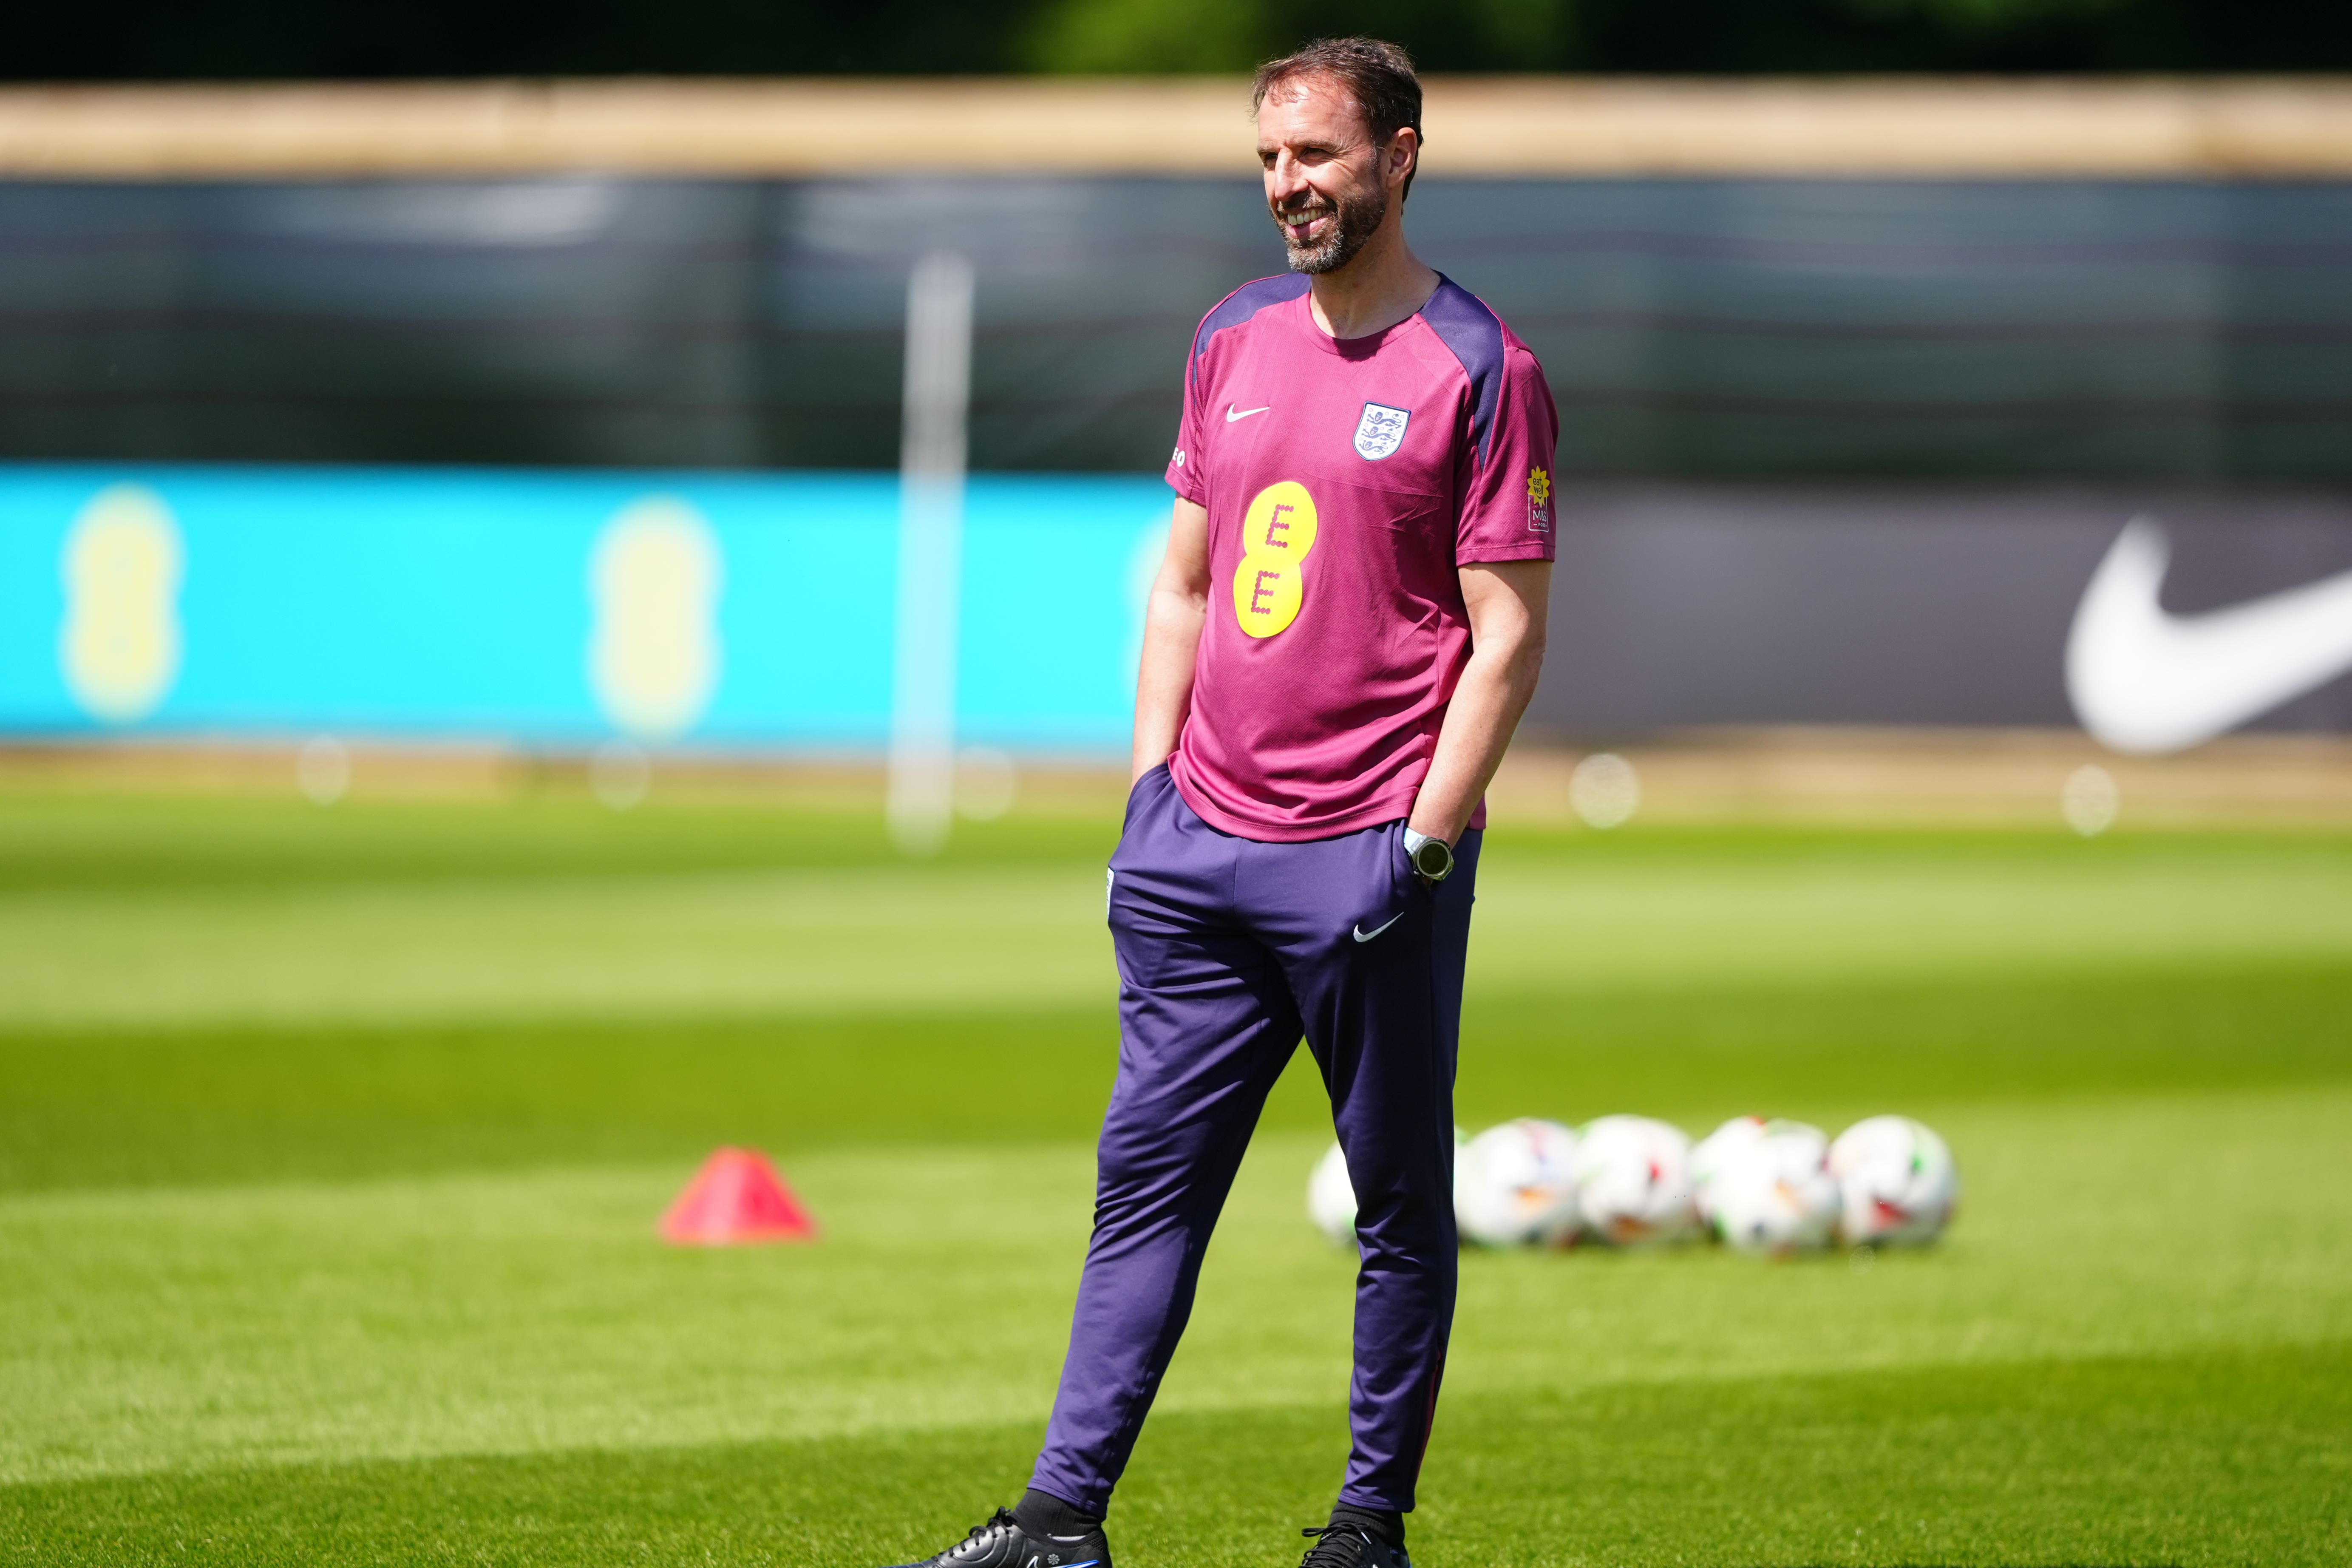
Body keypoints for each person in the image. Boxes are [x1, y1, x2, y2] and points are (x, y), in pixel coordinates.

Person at [885, 36, 1556, 1568]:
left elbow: (1506, 632)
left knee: (1396, 1206)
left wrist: (1425, 842)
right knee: (1143, 1195)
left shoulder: (1482, 368)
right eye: (1269, 159)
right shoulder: (1233, 338)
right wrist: (1145, 790)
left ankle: (1367, 1528)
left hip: (1367, 860)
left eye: (1316, 155)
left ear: (1399, 156)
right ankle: (1060, 1525)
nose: (1288, 187)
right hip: (1198, 852)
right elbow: (1182, 582)